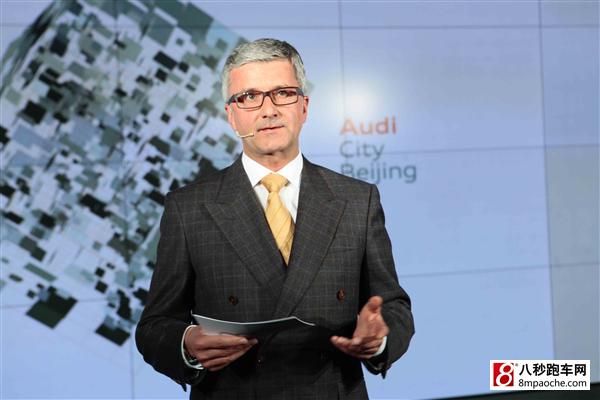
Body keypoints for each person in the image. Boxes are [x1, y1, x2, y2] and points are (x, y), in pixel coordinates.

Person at [136, 38, 414, 400]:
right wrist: (186, 343)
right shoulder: (188, 208)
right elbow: (155, 325)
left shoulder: (357, 200)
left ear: (304, 106)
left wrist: (379, 338)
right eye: (249, 97)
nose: (268, 110)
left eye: (282, 93)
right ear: (231, 115)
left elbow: (393, 306)